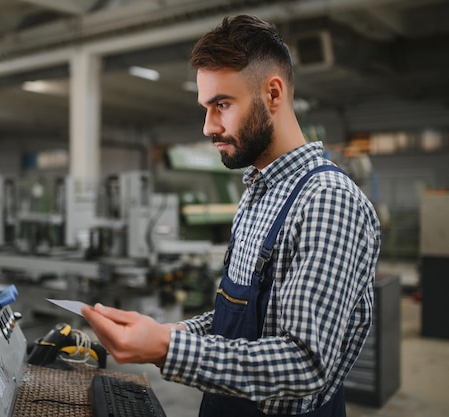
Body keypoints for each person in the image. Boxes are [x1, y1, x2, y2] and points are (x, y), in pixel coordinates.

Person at [82, 14, 381, 417]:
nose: (208, 127)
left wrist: (168, 350)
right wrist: (174, 332)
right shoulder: (257, 193)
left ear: (273, 94)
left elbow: (304, 364)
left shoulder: (327, 201)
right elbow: (241, 320)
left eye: (222, 105)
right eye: (206, 108)